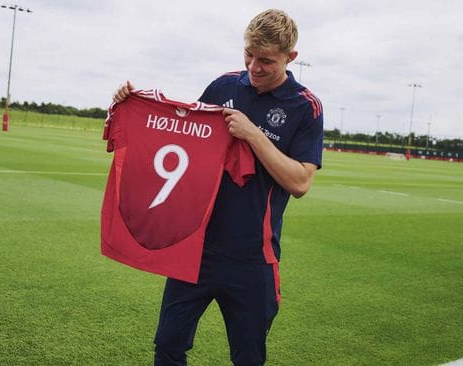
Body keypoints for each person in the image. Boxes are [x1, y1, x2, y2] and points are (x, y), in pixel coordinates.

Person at [112, 9, 323, 366]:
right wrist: (133, 102)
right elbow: (183, 134)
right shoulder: (222, 86)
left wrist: (253, 135)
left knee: (248, 357)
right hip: (196, 248)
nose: (254, 67)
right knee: (167, 345)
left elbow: (300, 182)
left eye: (266, 61)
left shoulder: (305, 107)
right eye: (248, 55)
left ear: (291, 58)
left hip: (253, 259)